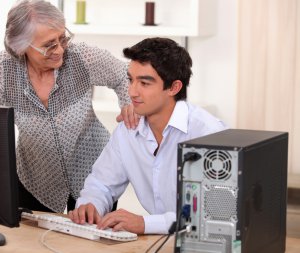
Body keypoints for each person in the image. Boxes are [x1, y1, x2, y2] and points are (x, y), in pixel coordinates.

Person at [0, 0, 138, 216]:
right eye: (49, 45)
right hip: (34, 177)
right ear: (21, 46)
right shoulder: (2, 69)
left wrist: (129, 103)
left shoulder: (82, 57)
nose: (60, 49)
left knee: (91, 244)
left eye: (62, 38)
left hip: (93, 175)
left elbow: (123, 74)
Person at [68, 38, 227, 234]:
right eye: (130, 79)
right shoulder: (128, 130)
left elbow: (214, 214)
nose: (132, 91)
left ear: (173, 88)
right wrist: (90, 205)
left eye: (144, 83)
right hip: (158, 243)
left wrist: (145, 224)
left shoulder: (208, 134)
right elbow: (101, 183)